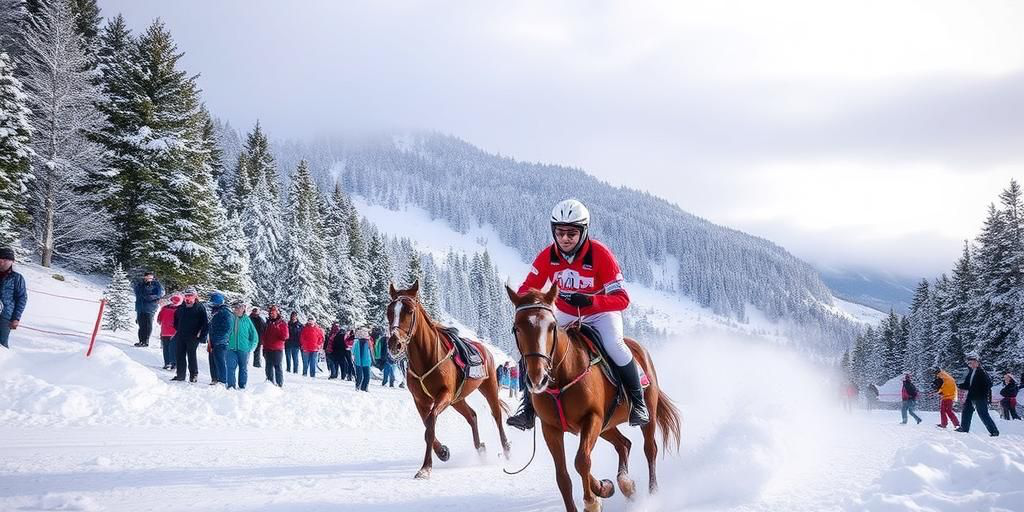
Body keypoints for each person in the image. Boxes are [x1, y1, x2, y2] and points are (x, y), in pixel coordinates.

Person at [507, 198, 647, 431]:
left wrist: (591, 300)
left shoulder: (601, 254)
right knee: (530, 350)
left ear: (583, 232)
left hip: (601, 314)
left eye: (571, 233)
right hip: (566, 314)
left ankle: (638, 402)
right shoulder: (548, 256)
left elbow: (623, 299)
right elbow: (528, 286)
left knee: (614, 345)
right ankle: (528, 409)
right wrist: (527, 302)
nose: (565, 238)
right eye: (560, 232)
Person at [956, 353, 999, 437]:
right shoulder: (971, 372)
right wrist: (958, 385)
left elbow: (989, 384)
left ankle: (994, 431)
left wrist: (982, 393)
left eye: (971, 362)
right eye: (969, 363)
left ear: (977, 362)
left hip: (980, 397)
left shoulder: (982, 372)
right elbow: (968, 384)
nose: (970, 364)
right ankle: (964, 428)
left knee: (983, 414)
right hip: (971, 396)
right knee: (966, 411)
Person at [171, 288, 209, 383]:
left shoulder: (200, 307)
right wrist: (178, 329)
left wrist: (202, 336)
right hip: (181, 335)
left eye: (190, 295)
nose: (188, 297)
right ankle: (180, 375)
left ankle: (193, 375)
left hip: (193, 336)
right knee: (179, 355)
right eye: (186, 295)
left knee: (191, 355)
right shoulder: (181, 307)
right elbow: (176, 320)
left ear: (195, 296)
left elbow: (205, 323)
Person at [224, 301, 259, 389]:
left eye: (239, 308)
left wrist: (251, 347)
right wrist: (225, 341)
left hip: (244, 349)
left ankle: (242, 386)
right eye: (235, 308)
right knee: (230, 367)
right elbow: (224, 331)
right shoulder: (230, 319)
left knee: (243, 368)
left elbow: (254, 336)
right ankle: (231, 386)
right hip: (231, 348)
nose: (236, 309)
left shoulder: (247, 320)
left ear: (243, 309)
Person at [0, 247, 27, 349]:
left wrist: (16, 318)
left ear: (12, 261)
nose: (2, 261)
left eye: (5, 259)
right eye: (1, 258)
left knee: (2, 344)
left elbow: (21, 298)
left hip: (5, 316)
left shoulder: (17, 278)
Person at [132, 270, 163, 347]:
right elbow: (137, 292)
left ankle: (146, 341)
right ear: (145, 277)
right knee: (141, 324)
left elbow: (159, 294)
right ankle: (141, 341)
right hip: (140, 307)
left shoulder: (156, 284)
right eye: (148, 277)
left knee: (147, 324)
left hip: (150, 307)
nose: (149, 279)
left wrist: (150, 297)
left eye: (151, 277)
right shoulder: (140, 284)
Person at [206, 292, 231, 386]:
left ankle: (222, 381)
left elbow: (228, 328)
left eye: (212, 302)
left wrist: (220, 338)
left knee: (220, 361)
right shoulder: (215, 311)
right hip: (212, 340)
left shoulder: (225, 312)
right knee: (212, 360)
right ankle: (214, 379)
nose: (210, 304)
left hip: (221, 342)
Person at [262, 305, 289, 387]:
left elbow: (285, 336)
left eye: (273, 312)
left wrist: (278, 329)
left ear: (277, 313)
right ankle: (269, 383)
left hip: (277, 349)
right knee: (268, 366)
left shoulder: (282, 323)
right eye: (270, 312)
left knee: (278, 366)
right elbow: (264, 334)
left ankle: (280, 384)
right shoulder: (267, 322)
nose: (271, 314)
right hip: (267, 348)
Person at [156, 294, 182, 370]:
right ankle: (174, 363)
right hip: (175, 332)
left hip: (165, 331)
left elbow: (159, 319)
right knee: (174, 348)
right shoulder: (180, 309)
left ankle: (167, 363)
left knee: (166, 348)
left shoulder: (164, 308)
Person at [352, 326, 374, 391]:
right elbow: (371, 351)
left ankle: (359, 387)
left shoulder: (357, 342)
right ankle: (363, 388)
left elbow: (352, 352)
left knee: (361, 375)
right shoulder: (367, 342)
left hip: (360, 361)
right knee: (365, 376)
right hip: (365, 361)